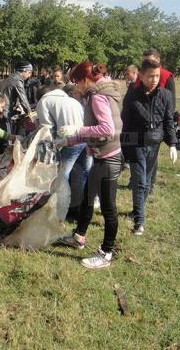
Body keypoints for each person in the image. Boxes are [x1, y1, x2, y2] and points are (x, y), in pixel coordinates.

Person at [55, 61, 123, 269]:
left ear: (85, 80)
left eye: (76, 83)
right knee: (86, 198)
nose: (75, 87)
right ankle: (78, 237)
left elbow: (106, 129)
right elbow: (91, 131)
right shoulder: (98, 92)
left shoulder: (97, 96)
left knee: (108, 208)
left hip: (108, 158)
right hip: (101, 155)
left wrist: (78, 131)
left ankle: (106, 253)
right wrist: (67, 141)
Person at [121, 59, 178, 236]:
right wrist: (124, 147)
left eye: (157, 76)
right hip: (137, 143)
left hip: (154, 143)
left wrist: (173, 143)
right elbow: (126, 122)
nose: (154, 79)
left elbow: (168, 120)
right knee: (140, 181)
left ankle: (137, 210)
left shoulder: (166, 95)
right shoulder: (132, 95)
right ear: (141, 76)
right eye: (150, 76)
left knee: (146, 181)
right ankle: (139, 222)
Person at [35, 85, 91, 220]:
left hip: (70, 141)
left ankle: (60, 211)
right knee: (81, 175)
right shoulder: (72, 101)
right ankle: (76, 210)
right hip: (86, 138)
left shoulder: (44, 102)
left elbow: (46, 129)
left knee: (62, 177)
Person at [135, 49, 176, 192]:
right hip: (139, 127)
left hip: (156, 124)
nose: (146, 63)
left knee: (152, 156)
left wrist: (170, 138)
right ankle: (139, 183)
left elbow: (170, 103)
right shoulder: (141, 75)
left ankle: (149, 184)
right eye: (144, 61)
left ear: (158, 60)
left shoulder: (166, 76)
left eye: (149, 60)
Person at [3, 61, 34, 134]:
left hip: (3, 106)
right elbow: (23, 97)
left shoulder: (12, 76)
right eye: (29, 72)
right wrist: (29, 112)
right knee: (8, 133)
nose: (29, 75)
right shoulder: (17, 80)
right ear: (24, 70)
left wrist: (18, 105)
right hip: (5, 109)